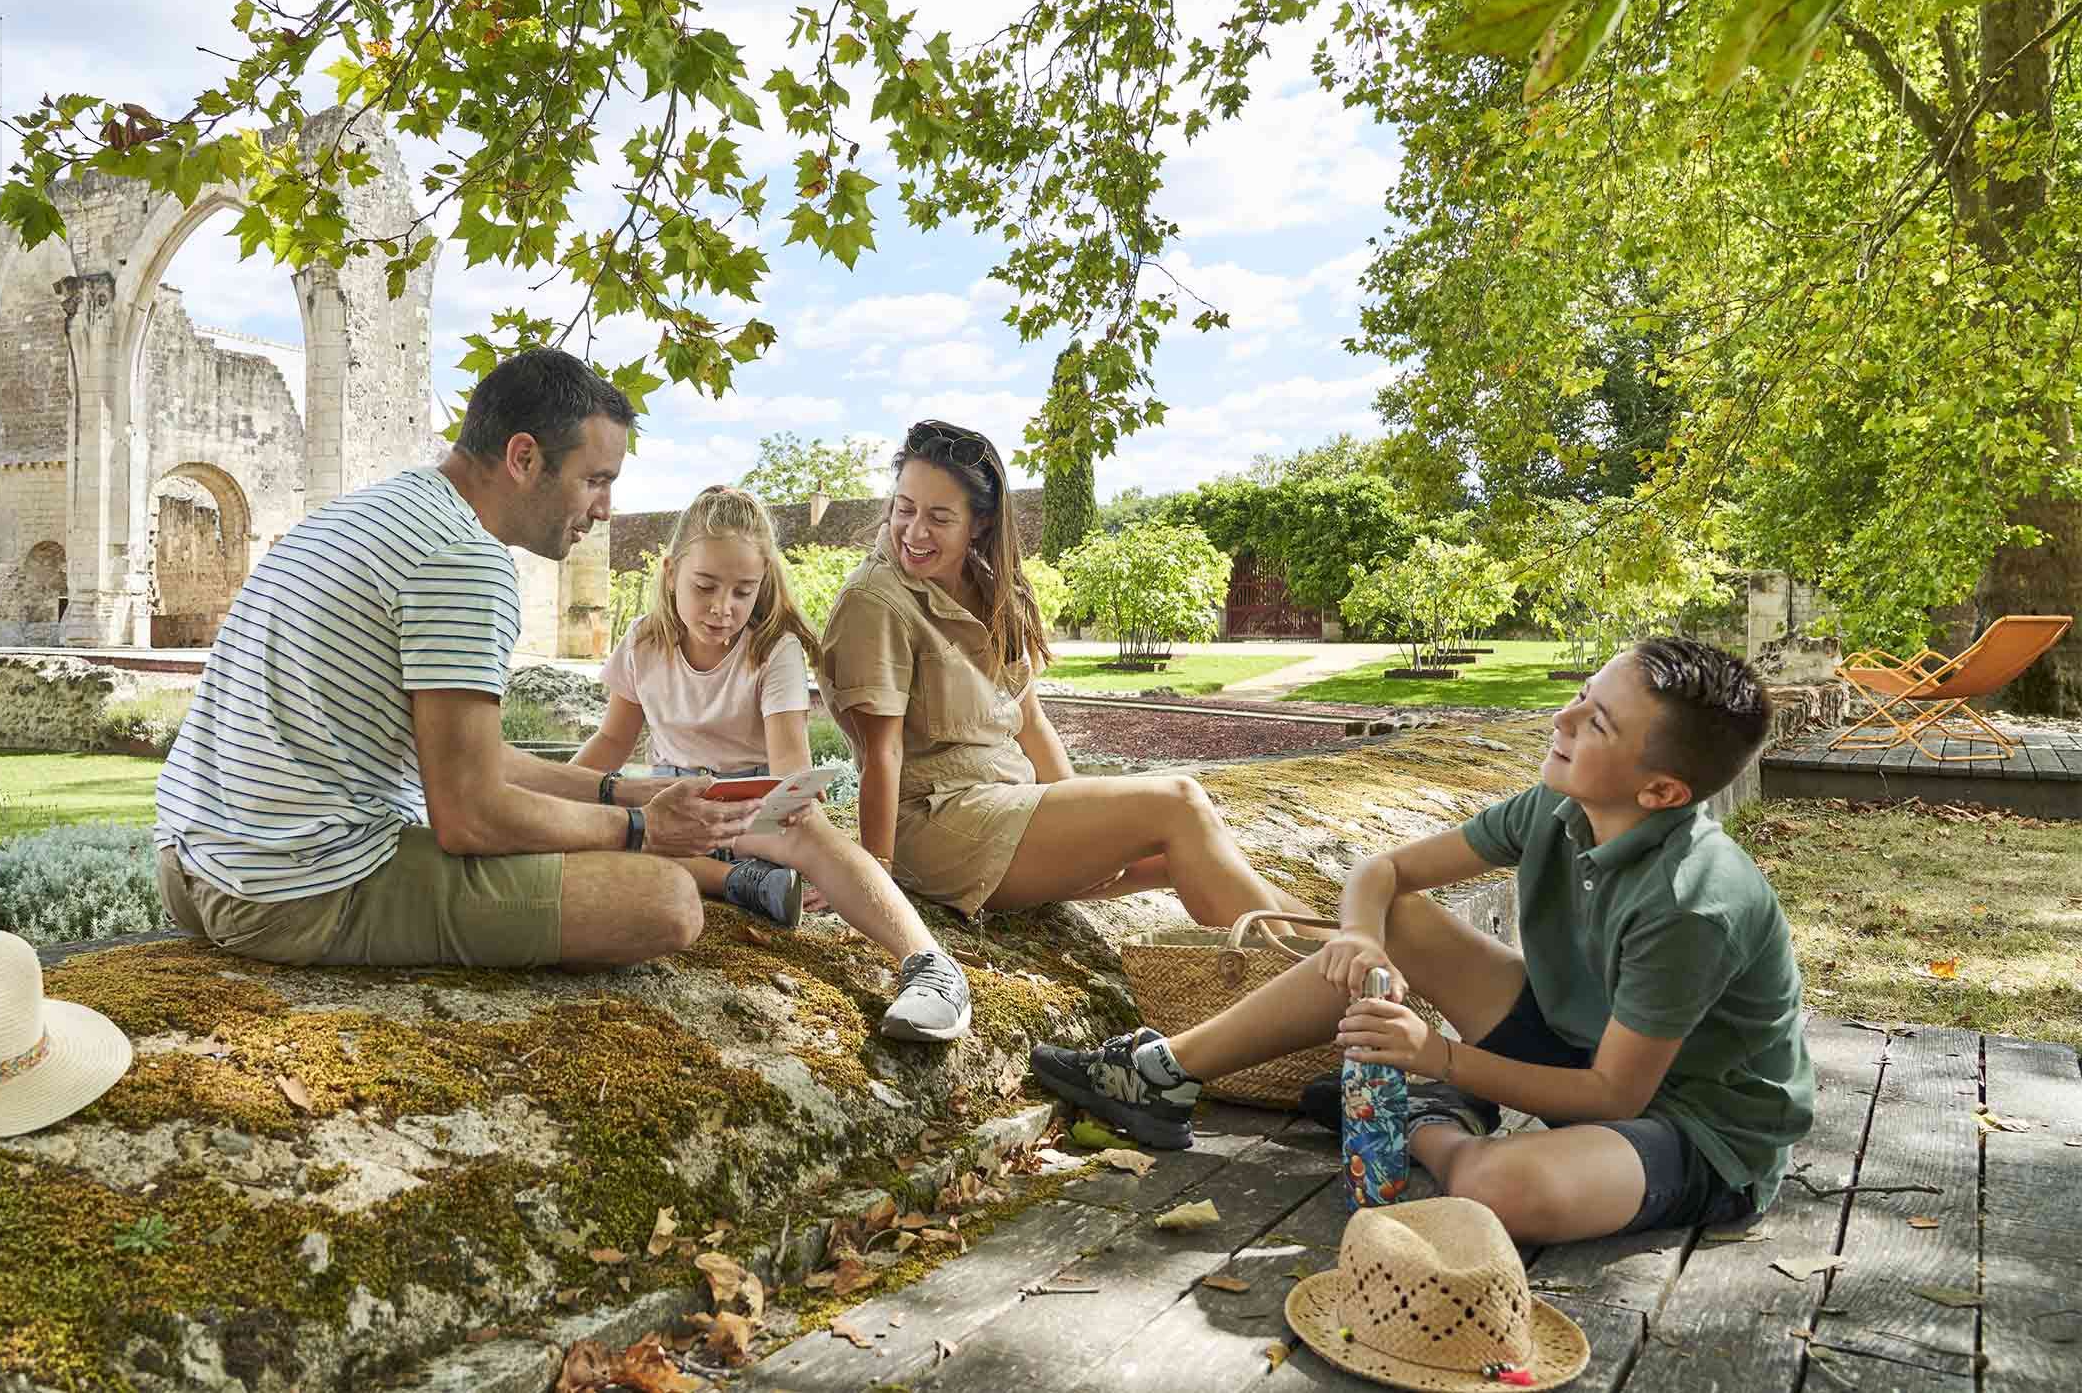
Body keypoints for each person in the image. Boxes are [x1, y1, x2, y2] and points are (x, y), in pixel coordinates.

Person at [1031, 638, 1816, 1247]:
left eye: (1594, 723)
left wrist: (1435, 1060)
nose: (1560, 721)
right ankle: (1162, 1073)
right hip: (1575, 1046)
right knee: (1393, 922)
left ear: (1661, 792)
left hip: (1694, 1131)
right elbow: (1383, 869)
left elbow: (1617, 1097)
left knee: (1495, 1190)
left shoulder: (1690, 903)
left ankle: (1429, 1120)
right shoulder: (1557, 806)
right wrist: (1364, 944)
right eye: (1579, 697)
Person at [154, 347, 761, 972]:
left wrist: (620, 792)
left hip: (188, 871)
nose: (604, 509)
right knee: (665, 899)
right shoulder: (464, 560)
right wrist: (641, 830)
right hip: (296, 892)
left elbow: (469, 757)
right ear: (523, 458)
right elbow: (470, 817)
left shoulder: (362, 514)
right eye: (596, 480)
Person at [816, 418, 1316, 930]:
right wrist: (873, 880)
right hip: (941, 828)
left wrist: (1075, 811)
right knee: (1180, 802)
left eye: (939, 517)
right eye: (905, 508)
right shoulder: (873, 600)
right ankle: (1307, 984)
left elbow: (1029, 720)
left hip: (1014, 805)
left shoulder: (994, 587)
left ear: (980, 524)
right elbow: (882, 751)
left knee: (1196, 852)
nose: (915, 531)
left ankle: (1345, 962)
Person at [573, 485, 973, 1041]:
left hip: (745, 808)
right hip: (668, 804)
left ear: (762, 585)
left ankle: (929, 965)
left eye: (743, 591)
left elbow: (789, 765)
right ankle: (742, 882)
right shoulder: (643, 643)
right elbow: (612, 742)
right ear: (670, 572)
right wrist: (558, 796)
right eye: (705, 587)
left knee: (806, 829)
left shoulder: (772, 650)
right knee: (600, 829)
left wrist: (795, 802)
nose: (722, 608)